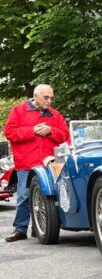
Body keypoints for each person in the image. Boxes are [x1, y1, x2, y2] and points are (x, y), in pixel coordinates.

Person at [3, 84, 70, 242]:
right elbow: (9, 133)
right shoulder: (19, 111)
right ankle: (20, 229)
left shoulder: (55, 114)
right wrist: (32, 130)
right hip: (27, 162)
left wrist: (51, 131)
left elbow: (66, 136)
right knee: (24, 196)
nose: (49, 101)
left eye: (52, 98)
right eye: (46, 98)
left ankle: (40, 227)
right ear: (36, 96)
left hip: (51, 162)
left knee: (51, 195)